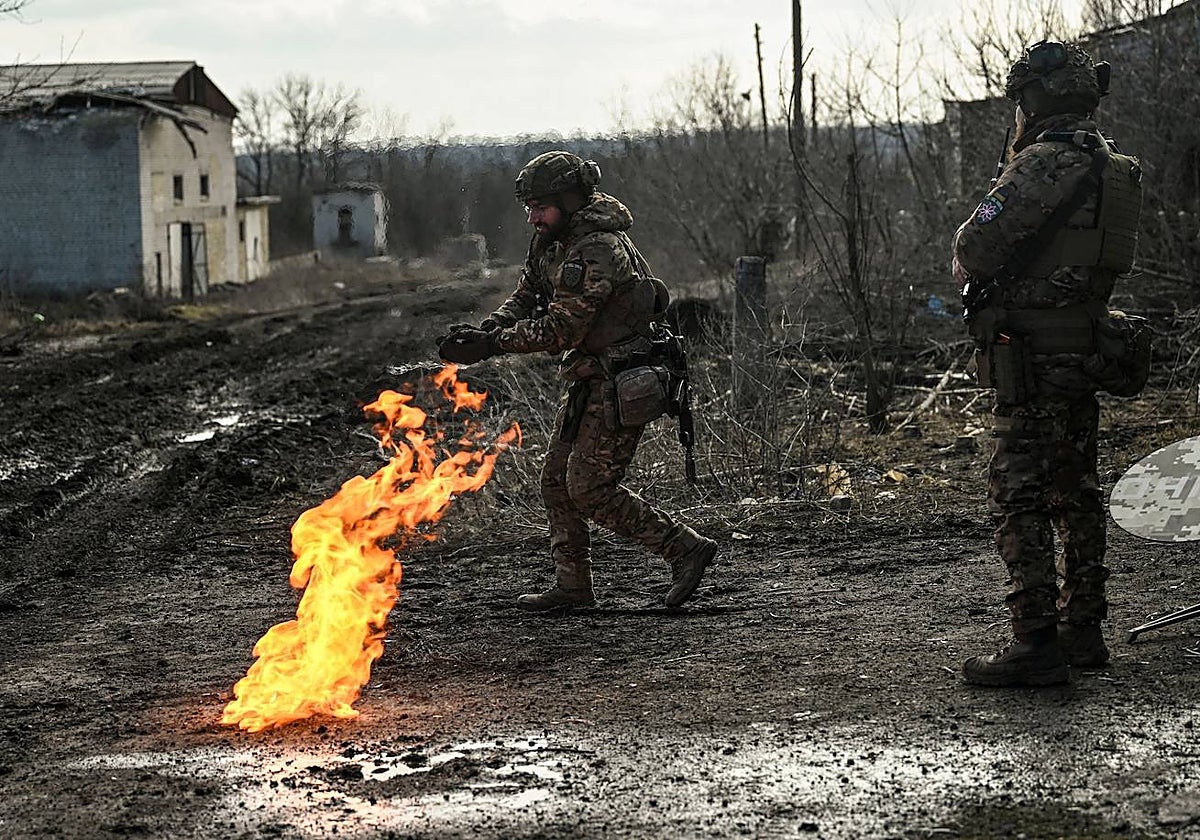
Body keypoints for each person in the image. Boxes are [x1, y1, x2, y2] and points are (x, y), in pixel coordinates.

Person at [437, 150, 718, 611]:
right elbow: (528, 293)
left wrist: (492, 347)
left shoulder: (597, 250)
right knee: (554, 481)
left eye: (540, 207)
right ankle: (573, 588)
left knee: (589, 488)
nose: (531, 218)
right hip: (590, 375)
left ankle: (684, 548)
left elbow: (562, 330)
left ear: (569, 201)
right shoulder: (553, 240)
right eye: (528, 208)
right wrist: (487, 329)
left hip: (623, 379)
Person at [951, 41, 1144, 686]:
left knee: (1020, 494)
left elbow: (975, 247)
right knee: (1078, 489)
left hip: (1032, 356)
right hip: (1083, 346)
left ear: (1035, 99)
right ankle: (1083, 628)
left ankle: (1036, 641)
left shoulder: (1042, 163)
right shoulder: (1113, 168)